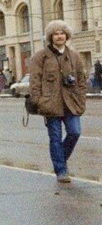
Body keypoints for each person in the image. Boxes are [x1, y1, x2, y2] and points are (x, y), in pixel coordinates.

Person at [29, 20, 87, 183]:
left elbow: (81, 80)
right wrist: (38, 101)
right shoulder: (40, 57)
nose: (59, 36)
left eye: (62, 33)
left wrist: (81, 99)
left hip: (71, 103)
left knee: (75, 132)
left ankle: (60, 158)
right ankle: (61, 170)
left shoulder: (74, 56)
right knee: (55, 138)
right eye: (56, 33)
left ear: (66, 36)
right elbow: (35, 81)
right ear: (50, 37)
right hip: (50, 104)